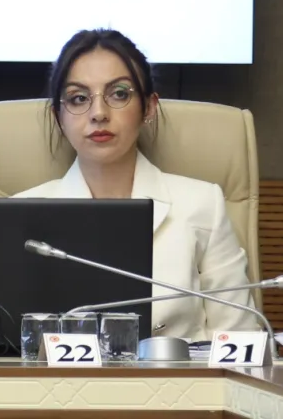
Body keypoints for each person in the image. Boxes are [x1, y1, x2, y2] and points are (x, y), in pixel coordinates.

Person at [14, 29, 258, 341]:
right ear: (59, 117)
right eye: (79, 98)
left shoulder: (202, 204)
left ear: (149, 107)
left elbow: (240, 339)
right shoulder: (22, 214)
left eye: (119, 94)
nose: (98, 114)